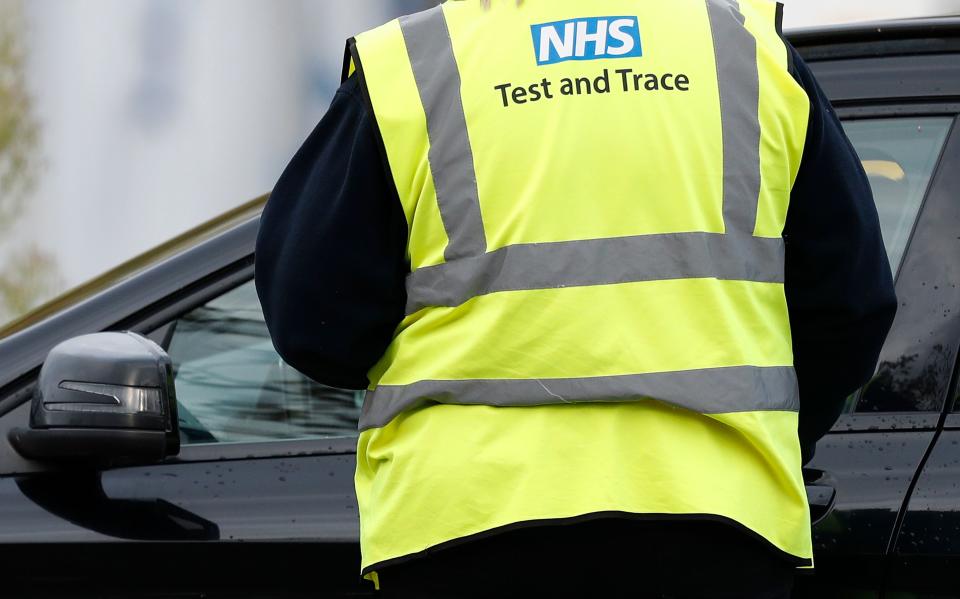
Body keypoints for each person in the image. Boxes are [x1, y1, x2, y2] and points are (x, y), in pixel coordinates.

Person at [255, 0, 897, 596]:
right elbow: (850, 310)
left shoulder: (414, 64)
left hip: (465, 524)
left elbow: (316, 324)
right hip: (716, 523)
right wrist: (766, 432)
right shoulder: (746, 49)